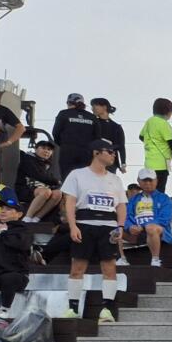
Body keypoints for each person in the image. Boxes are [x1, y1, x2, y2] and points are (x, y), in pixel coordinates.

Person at [59, 138, 126, 322]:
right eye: (109, 151)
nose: (113, 155)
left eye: (114, 152)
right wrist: (73, 226)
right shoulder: (77, 174)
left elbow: (121, 205)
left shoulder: (115, 179)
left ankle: (107, 310)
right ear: (96, 152)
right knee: (77, 267)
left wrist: (120, 226)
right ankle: (73, 308)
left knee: (109, 268)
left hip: (109, 225)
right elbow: (70, 202)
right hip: (84, 222)